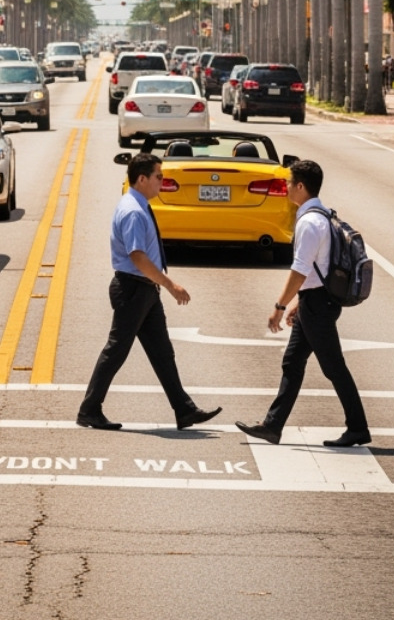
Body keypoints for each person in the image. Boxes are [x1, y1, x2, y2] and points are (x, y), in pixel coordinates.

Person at [75, 153, 221, 431]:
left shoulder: (138, 205)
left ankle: (184, 410)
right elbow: (137, 256)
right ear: (142, 179)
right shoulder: (133, 211)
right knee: (116, 350)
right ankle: (89, 410)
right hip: (133, 289)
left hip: (144, 290)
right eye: (158, 177)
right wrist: (171, 285)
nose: (162, 182)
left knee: (162, 352)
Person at [237, 159, 370, 447]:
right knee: (293, 362)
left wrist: (280, 306)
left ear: (300, 186)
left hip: (318, 305)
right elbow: (314, 270)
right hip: (314, 301)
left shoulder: (310, 221)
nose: (285, 187)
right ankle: (272, 426)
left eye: (288, 183)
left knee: (333, 366)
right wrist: (300, 301)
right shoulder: (320, 214)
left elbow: (300, 269)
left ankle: (358, 427)